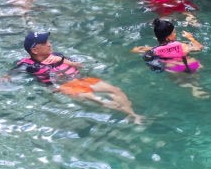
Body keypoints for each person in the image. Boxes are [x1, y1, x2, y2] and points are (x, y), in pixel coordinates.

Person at [14, 31, 142, 122]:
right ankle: (126, 114)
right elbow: (11, 77)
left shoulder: (57, 55)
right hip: (65, 86)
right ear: (35, 50)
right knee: (96, 99)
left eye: (48, 41)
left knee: (115, 90)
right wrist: (6, 78)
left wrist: (61, 60)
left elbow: (80, 65)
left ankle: (133, 114)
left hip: (81, 79)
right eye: (44, 43)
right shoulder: (27, 65)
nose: (49, 44)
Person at [133, 18, 203, 72]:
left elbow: (135, 50)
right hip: (191, 66)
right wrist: (191, 38)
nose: (175, 34)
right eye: (174, 32)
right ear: (168, 37)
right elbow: (199, 48)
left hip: (173, 69)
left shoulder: (155, 50)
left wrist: (146, 48)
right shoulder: (182, 46)